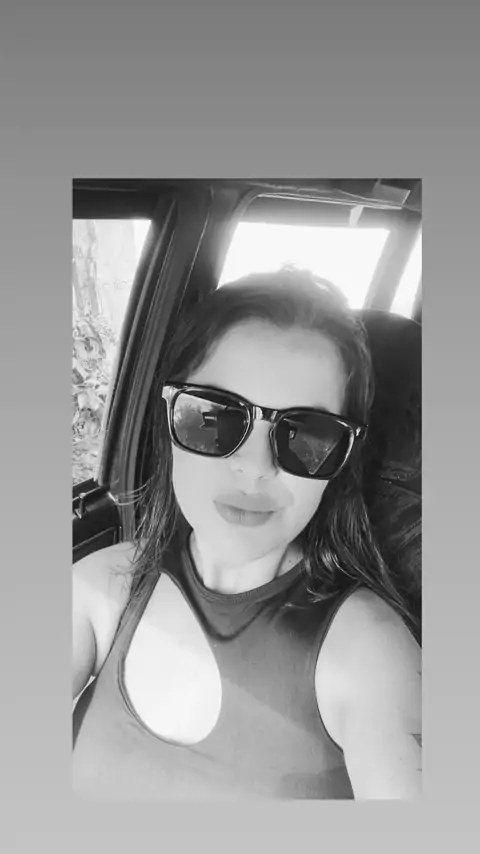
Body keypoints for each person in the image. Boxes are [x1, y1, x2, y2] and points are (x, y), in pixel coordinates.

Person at [72, 267, 421, 800]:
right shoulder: (100, 591)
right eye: (214, 418)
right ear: (170, 418)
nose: (255, 468)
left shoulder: (369, 653)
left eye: (307, 435)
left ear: (342, 458)